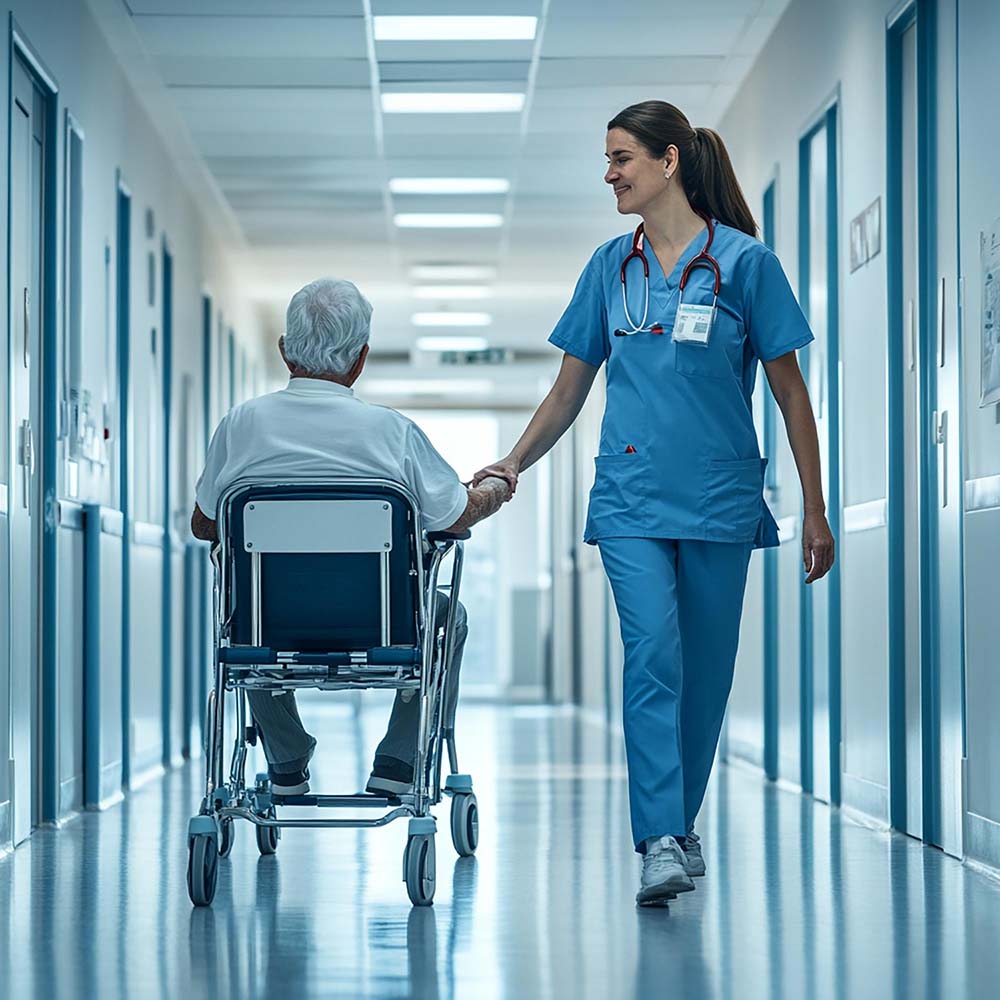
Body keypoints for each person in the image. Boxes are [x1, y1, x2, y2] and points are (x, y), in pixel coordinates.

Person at [473, 101, 835, 906]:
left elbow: (791, 395)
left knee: (704, 675)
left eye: (621, 158)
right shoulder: (610, 268)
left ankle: (680, 822)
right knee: (653, 659)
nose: (609, 174)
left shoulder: (745, 266)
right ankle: (658, 838)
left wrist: (814, 505)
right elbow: (570, 390)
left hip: (718, 497)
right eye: (608, 161)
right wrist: (514, 461)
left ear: (670, 161)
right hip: (631, 497)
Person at [191, 277, 512, 796]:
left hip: (273, 627)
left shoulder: (241, 424)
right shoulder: (390, 431)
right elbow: (455, 516)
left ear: (284, 351)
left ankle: (287, 758)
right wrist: (494, 488)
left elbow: (204, 525)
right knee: (447, 617)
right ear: (360, 359)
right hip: (382, 627)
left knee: (240, 618)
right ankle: (398, 764)